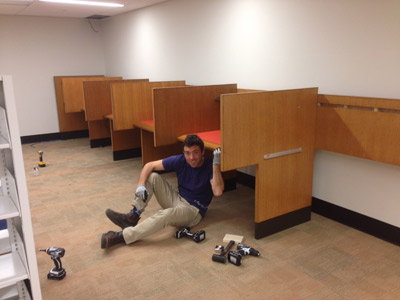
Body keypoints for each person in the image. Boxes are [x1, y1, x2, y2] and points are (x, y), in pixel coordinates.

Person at [101, 134, 224, 249]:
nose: (191, 157)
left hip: (193, 211)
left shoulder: (209, 167)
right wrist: (140, 185)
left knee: (166, 214)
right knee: (152, 176)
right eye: (187, 153)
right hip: (178, 199)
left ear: (202, 152)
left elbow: (217, 191)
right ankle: (132, 216)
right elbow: (150, 165)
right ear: (183, 153)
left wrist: (216, 164)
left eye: (195, 153)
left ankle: (123, 236)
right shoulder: (181, 160)